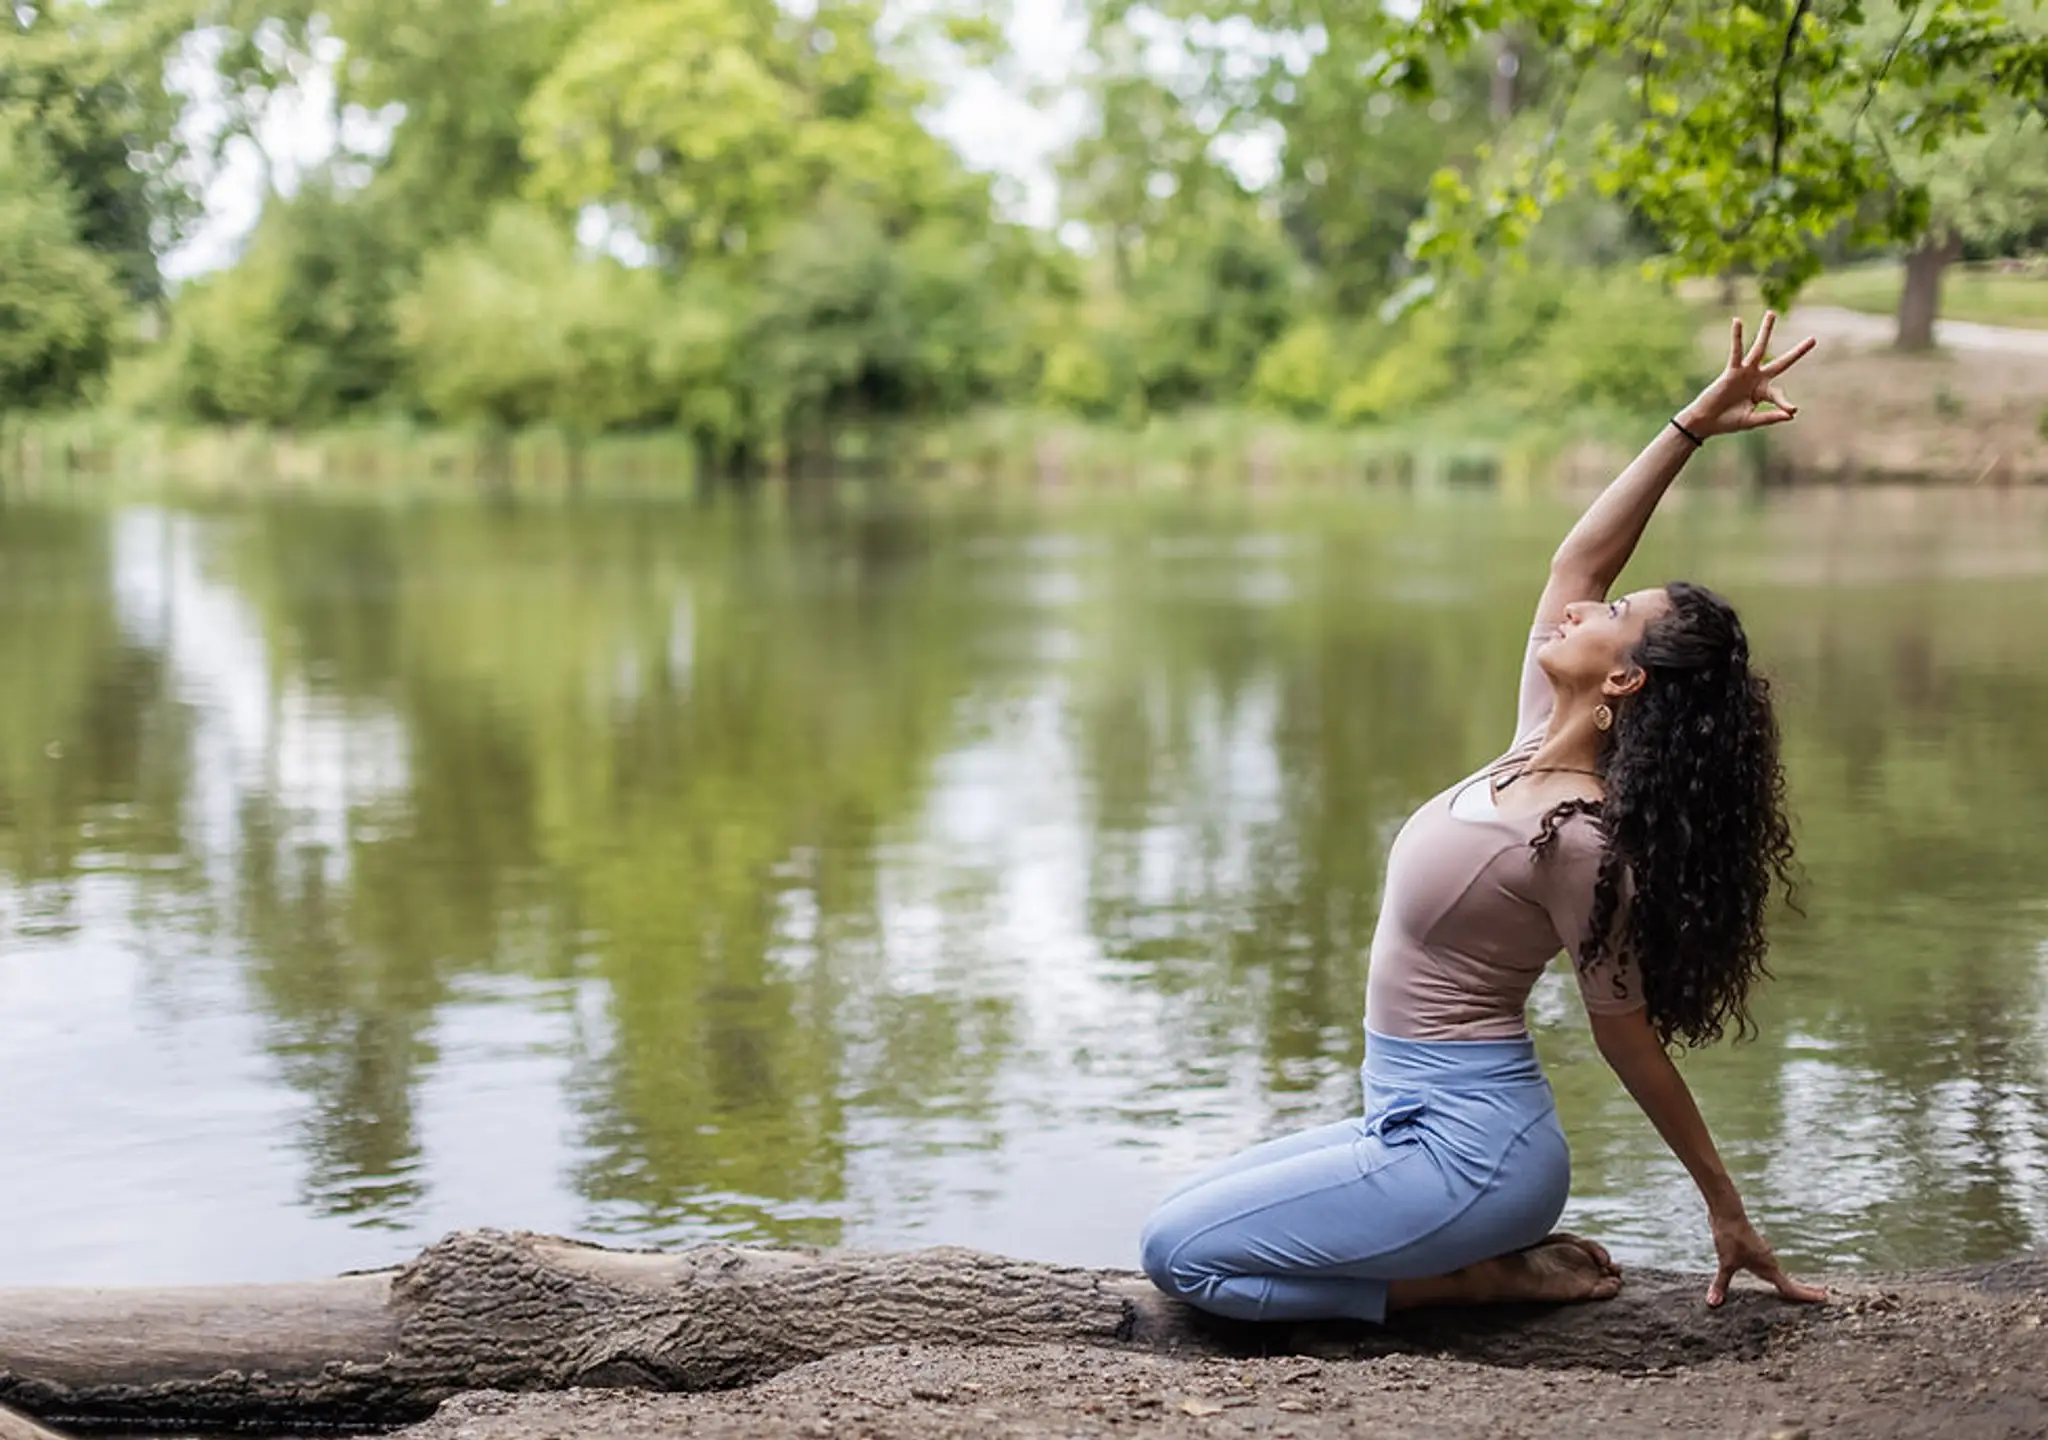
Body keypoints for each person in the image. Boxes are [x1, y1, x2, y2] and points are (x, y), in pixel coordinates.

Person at [1139, 311, 1830, 1321]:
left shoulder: (1584, 840)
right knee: (1181, 1217)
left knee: (1181, 1259)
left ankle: (1472, 1278)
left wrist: (1723, 1206)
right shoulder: (1528, 744)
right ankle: (1463, 1261)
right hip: (1402, 1118)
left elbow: (1627, 1040)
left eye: (1610, 617)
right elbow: (1575, 559)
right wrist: (1690, 423)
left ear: (1628, 676)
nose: (1578, 610)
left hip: (1472, 1149)